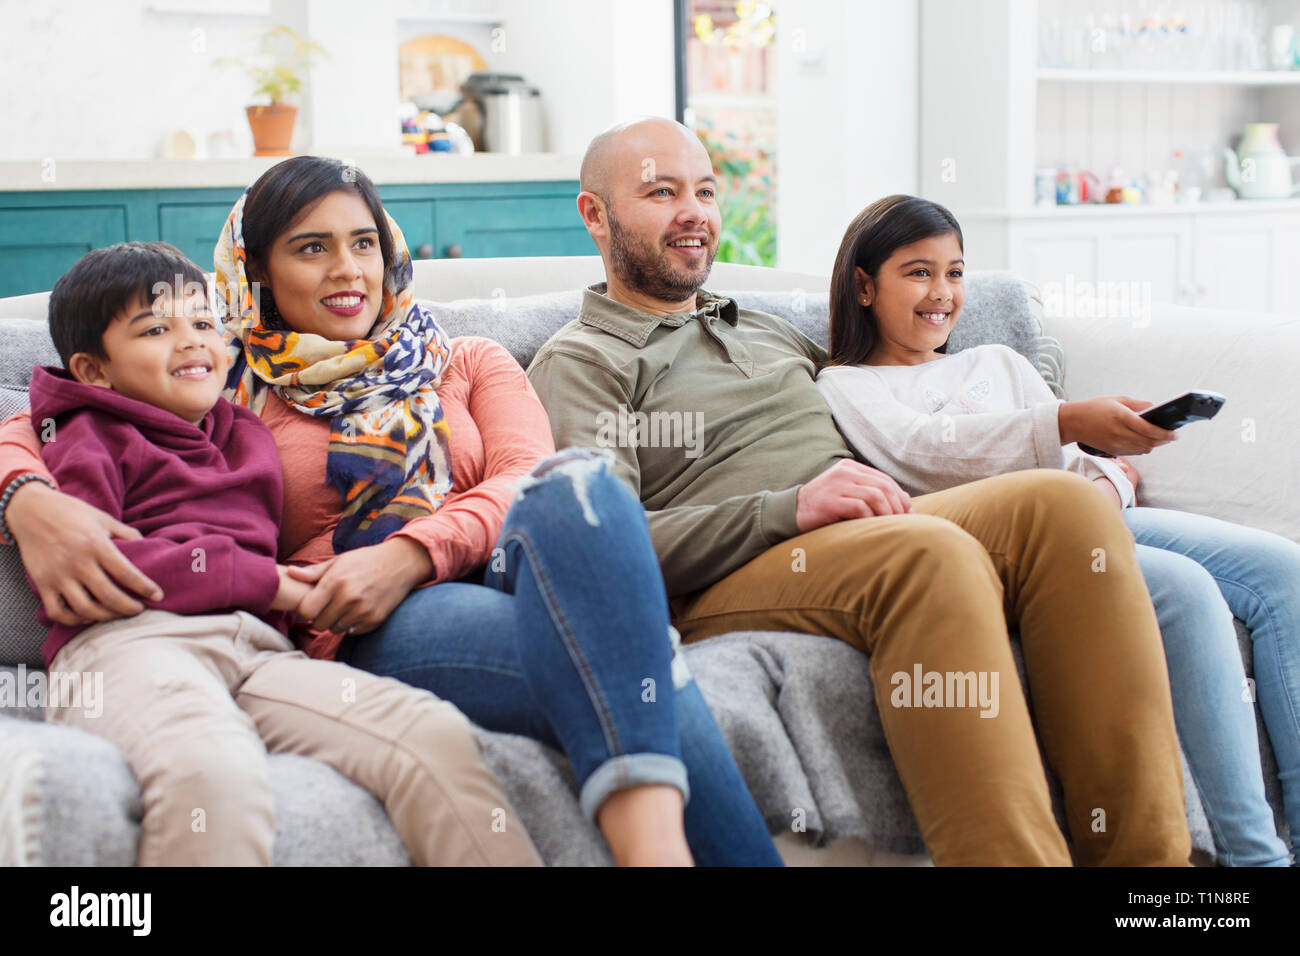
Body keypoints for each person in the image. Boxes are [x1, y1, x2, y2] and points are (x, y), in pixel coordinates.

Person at [0, 156, 780, 867]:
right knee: (634, 663)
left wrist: (409, 551)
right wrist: (26, 499)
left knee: (578, 485)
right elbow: (55, 412)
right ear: (259, 272)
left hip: (508, 567)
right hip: (382, 619)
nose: (348, 269)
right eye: (311, 248)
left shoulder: (467, 358)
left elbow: (520, 479)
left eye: (364, 243)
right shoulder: (228, 376)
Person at [526, 116, 1193, 866]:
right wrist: (790, 507)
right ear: (595, 215)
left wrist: (1061, 428)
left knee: (1061, 506)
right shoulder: (583, 360)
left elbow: (892, 397)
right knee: (929, 554)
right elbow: (606, 551)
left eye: (706, 191)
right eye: (661, 192)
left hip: (865, 529)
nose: (694, 212)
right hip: (737, 571)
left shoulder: (762, 330)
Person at [815, 194, 1299, 867]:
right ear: (864, 286)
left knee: (1283, 570)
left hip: (1101, 514)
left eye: (955, 272)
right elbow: (929, 451)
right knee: (1185, 591)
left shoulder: (1001, 364)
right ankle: (1256, 859)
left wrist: (1105, 480)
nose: (943, 293)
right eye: (919, 272)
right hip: (1021, 549)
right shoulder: (849, 386)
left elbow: (1098, 466)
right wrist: (1068, 423)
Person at [23, 240, 541, 866]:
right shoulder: (85, 434)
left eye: (205, 322)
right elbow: (109, 564)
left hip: (259, 650)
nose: (191, 341)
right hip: (130, 645)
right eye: (157, 328)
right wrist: (278, 586)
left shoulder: (244, 424)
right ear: (94, 371)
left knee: (430, 737)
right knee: (213, 778)